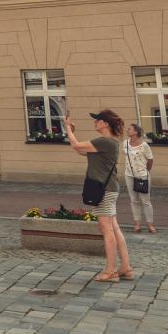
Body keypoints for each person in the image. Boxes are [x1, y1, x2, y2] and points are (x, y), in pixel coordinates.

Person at [64, 109, 133, 282]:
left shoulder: (104, 141)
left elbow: (77, 146)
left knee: (106, 228)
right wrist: (72, 133)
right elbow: (82, 151)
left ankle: (110, 271)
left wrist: (68, 130)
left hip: (104, 190)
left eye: (97, 120)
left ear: (105, 123)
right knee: (114, 227)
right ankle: (126, 268)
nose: (95, 122)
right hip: (109, 188)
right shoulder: (108, 142)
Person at [123, 123, 156, 234]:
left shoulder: (144, 145)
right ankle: (137, 224)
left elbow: (150, 160)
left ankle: (150, 225)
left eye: (130, 129)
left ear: (136, 132)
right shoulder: (125, 143)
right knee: (134, 200)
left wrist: (145, 171)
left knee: (145, 201)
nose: (127, 130)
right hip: (129, 175)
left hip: (142, 176)